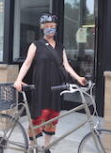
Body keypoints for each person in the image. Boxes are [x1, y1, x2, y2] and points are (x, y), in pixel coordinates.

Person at [14, 12, 87, 153]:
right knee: (38, 116)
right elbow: (27, 64)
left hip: (56, 87)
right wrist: (18, 79)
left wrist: (78, 78)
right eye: (47, 26)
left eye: (52, 26)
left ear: (56, 27)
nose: (50, 28)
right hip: (41, 86)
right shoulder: (36, 45)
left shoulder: (60, 47)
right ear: (42, 28)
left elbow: (66, 65)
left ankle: (46, 147)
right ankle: (32, 147)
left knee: (52, 117)